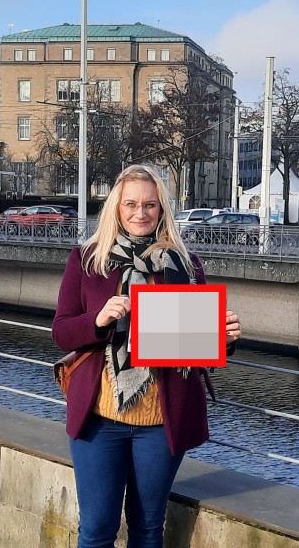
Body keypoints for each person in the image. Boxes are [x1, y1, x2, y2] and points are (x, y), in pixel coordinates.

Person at [52, 165, 242, 548]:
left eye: (150, 205)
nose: (141, 213)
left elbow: (198, 346)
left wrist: (224, 339)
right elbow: (61, 332)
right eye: (132, 204)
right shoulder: (88, 260)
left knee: (147, 529)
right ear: (116, 208)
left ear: (162, 210)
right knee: (96, 530)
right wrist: (99, 319)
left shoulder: (186, 265)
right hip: (100, 418)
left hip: (160, 419)